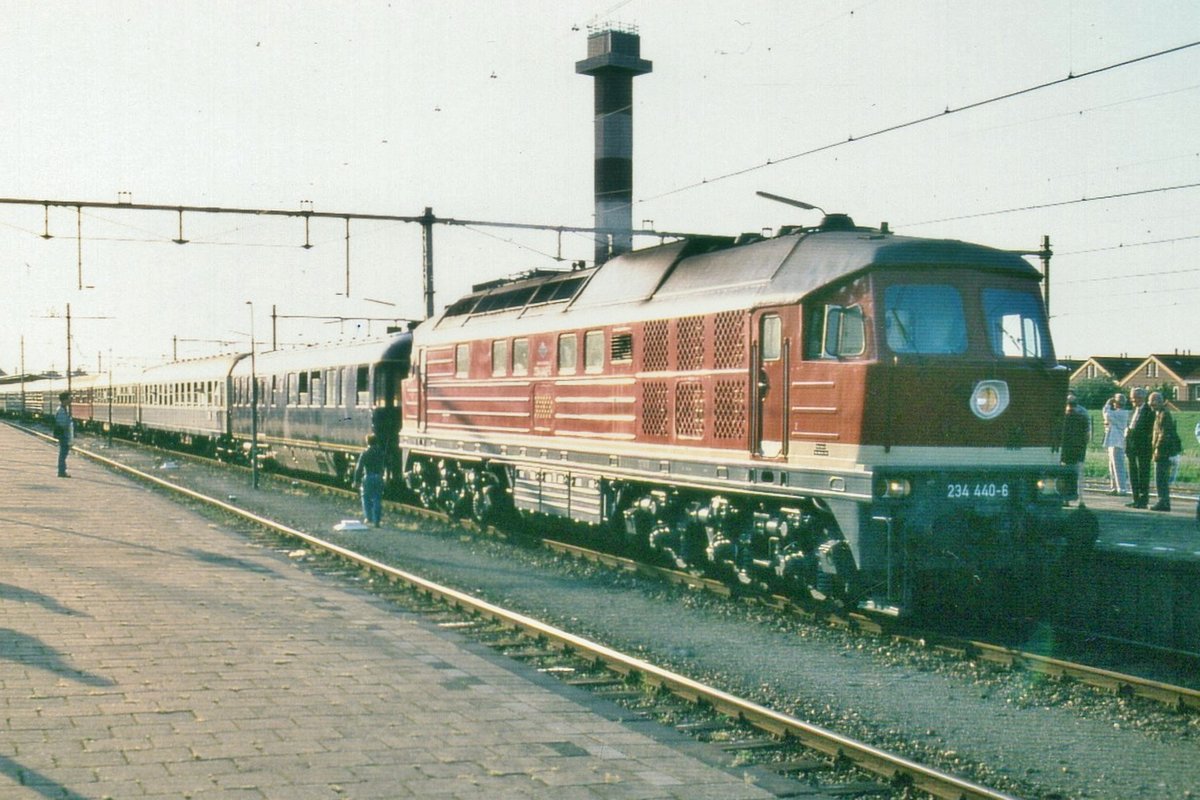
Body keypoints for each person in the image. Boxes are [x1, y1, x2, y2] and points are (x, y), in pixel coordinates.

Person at [1148, 391, 1182, 512]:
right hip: (1163, 451)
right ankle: (1163, 501)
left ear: (1160, 401)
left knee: (1160, 478)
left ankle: (1163, 502)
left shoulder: (1164, 415)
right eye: (1150, 401)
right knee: (1161, 478)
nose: (1150, 403)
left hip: (1163, 452)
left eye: (1153, 401)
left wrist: (1157, 448)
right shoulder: (1160, 413)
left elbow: (1163, 434)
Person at [1124, 387, 1154, 509]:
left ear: (1142, 398)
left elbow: (1148, 430)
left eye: (1135, 397)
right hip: (1132, 447)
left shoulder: (1149, 411)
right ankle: (1135, 498)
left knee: (1143, 474)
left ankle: (1143, 500)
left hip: (1143, 448)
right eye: (1131, 398)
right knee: (1133, 474)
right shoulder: (1132, 411)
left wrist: (1134, 433)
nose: (1133, 400)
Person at [1059, 394, 1090, 506]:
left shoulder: (1062, 417)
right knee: (1078, 475)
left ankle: (1065, 499)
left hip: (1065, 450)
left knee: (1064, 474)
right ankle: (1081, 499)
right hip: (1079, 450)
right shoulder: (1083, 417)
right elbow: (1087, 436)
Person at [352, 433, 387, 527]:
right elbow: (386, 465)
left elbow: (359, 467)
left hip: (368, 476)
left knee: (366, 497)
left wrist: (356, 480)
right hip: (379, 477)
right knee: (377, 498)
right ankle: (377, 521)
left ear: (367, 442)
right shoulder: (381, 452)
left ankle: (368, 517)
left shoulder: (365, 453)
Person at [1101, 393, 1131, 495]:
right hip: (1113, 441)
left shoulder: (1121, 413)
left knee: (1118, 466)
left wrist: (1107, 404)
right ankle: (1114, 487)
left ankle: (1121, 488)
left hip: (1117, 442)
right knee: (1112, 465)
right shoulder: (1121, 413)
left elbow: (1106, 414)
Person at [53, 391, 74, 478]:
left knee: (63, 453)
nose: (71, 400)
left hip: (64, 434)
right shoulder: (61, 410)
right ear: (64, 400)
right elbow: (63, 424)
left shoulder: (63, 409)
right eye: (69, 398)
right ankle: (61, 471)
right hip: (63, 435)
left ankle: (62, 471)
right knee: (63, 453)